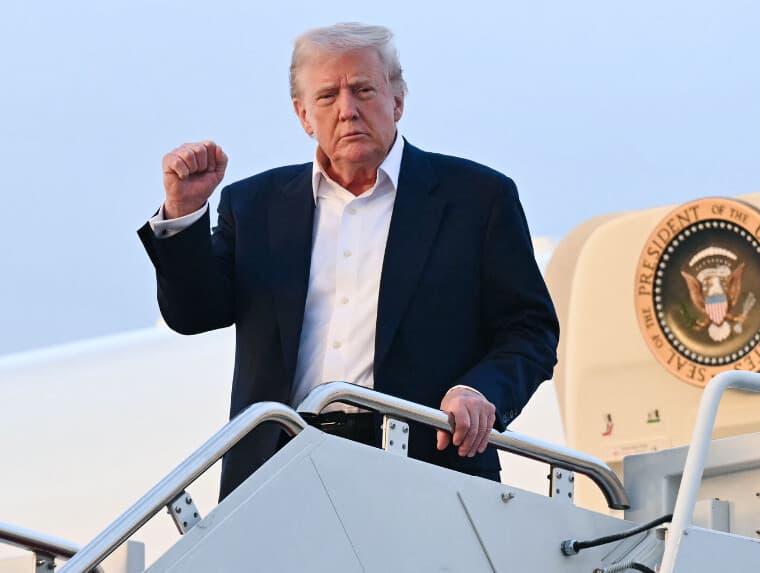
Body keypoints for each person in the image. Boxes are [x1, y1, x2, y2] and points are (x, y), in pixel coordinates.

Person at [138, 22, 559, 500]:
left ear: (397, 99)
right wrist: (184, 212)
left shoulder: (478, 199)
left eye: (363, 89)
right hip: (281, 469)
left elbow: (531, 330)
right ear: (303, 115)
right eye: (326, 97)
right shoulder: (255, 205)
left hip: (427, 466)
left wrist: (480, 392)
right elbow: (192, 314)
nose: (347, 110)